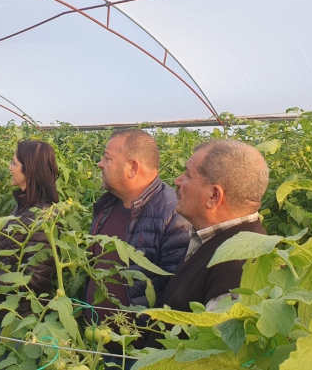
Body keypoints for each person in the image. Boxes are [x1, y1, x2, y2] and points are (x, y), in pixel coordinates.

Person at [146, 139, 269, 348]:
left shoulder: (237, 272)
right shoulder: (220, 241)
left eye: (187, 175)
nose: (177, 181)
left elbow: (212, 355)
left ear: (213, 195)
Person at [85, 129, 190, 360]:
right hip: (94, 345)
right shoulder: (107, 205)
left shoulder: (173, 215)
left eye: (107, 158)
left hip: (134, 355)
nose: (100, 164)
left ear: (132, 168)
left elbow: (175, 297)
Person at [0, 140, 58, 338]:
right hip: (9, 311)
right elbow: (9, 255)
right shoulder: (24, 207)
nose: (9, 167)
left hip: (23, 320)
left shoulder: (42, 216)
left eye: (13, 163)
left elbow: (33, 279)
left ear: (29, 170)